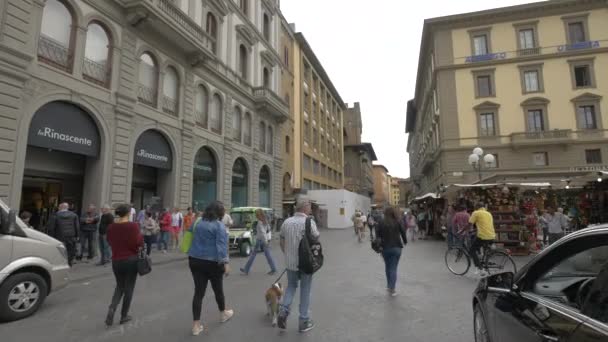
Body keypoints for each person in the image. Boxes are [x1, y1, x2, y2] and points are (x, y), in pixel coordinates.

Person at [187, 201, 234, 336]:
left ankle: (196, 326)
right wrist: (226, 263)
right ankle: (223, 313)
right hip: (213, 263)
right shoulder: (219, 226)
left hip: (195, 260)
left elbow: (189, 234)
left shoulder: (197, 222)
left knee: (198, 293)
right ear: (219, 213)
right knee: (218, 289)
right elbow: (221, 246)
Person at [277, 197, 319, 333]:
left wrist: (288, 254)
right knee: (305, 290)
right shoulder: (309, 222)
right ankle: (303, 321)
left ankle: (283, 312)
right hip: (306, 263)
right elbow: (316, 239)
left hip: (290, 263)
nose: (311, 208)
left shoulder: (286, 222)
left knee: (291, 286)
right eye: (310, 206)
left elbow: (281, 240)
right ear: (305, 207)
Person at [105, 204, 143, 326]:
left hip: (116, 260)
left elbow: (109, 241)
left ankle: (112, 308)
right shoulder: (133, 226)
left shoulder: (111, 227)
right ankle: (124, 315)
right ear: (128, 213)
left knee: (119, 286)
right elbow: (139, 243)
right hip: (131, 259)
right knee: (129, 288)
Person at [376, 207, 407, 296]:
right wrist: (405, 241)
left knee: (388, 266)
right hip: (397, 248)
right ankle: (392, 289)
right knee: (393, 268)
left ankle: (389, 286)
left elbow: (377, 235)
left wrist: (379, 246)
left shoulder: (381, 222)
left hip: (385, 248)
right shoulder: (398, 221)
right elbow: (403, 232)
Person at [240, 209, 277, 275]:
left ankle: (246, 269)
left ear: (258, 215)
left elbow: (263, 233)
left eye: (256, 215)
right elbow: (268, 230)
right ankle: (273, 269)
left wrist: (265, 241)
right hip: (262, 240)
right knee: (267, 256)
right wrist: (267, 240)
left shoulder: (260, 222)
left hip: (260, 240)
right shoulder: (265, 221)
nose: (256, 216)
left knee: (254, 255)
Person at [468, 203, 496, 276]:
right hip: (492, 235)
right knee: (483, 249)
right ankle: (484, 263)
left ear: (477, 207)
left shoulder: (476, 213)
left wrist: (461, 230)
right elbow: (484, 225)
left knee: (472, 250)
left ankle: (480, 268)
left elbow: (469, 223)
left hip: (483, 236)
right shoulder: (489, 213)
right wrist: (475, 230)